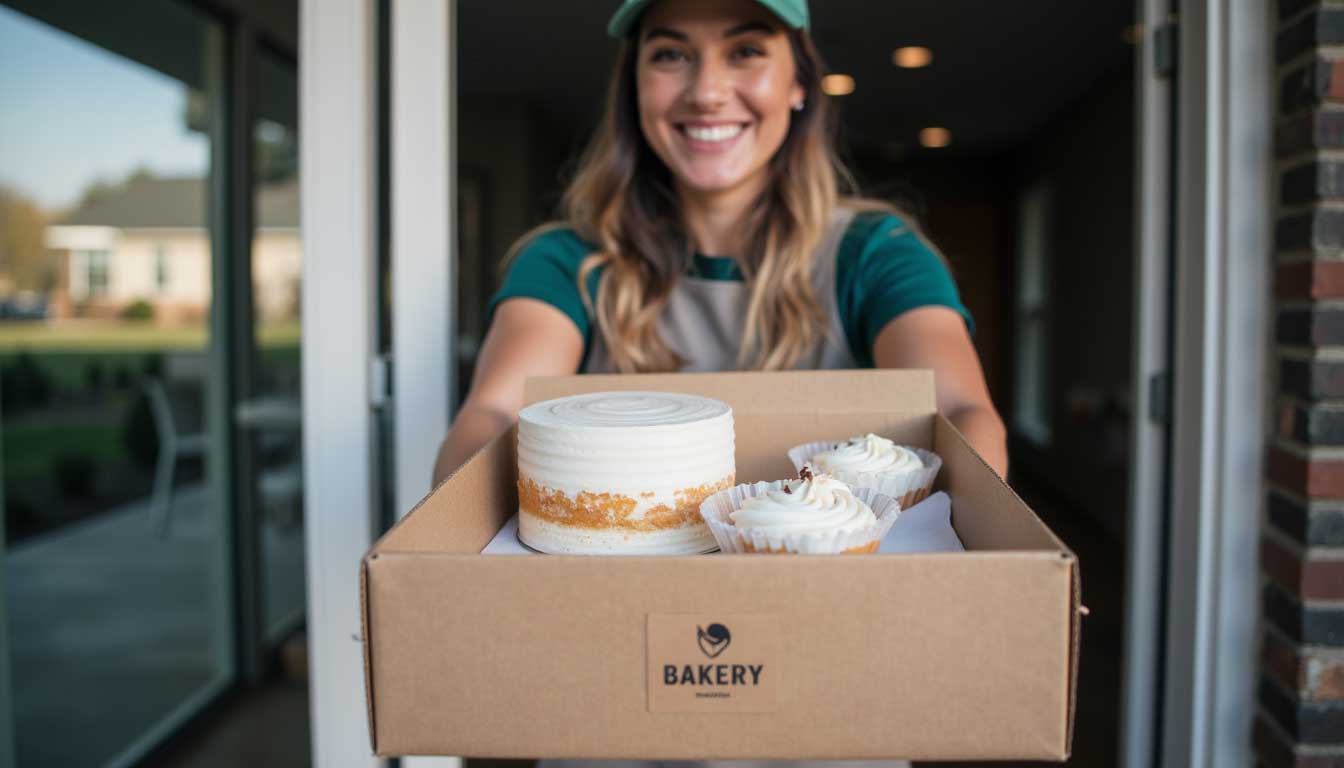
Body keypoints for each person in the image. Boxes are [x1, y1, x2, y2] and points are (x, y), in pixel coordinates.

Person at [433, 0, 1005, 492]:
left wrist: (983, 557)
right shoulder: (566, 261)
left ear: (799, 82)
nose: (706, 92)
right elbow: (495, 411)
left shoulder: (877, 254)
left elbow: (957, 411)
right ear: (635, 87)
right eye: (670, 54)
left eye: (746, 51)